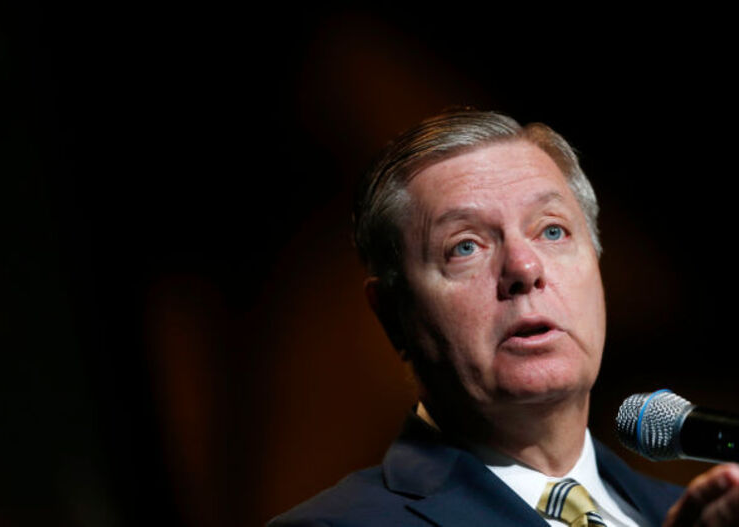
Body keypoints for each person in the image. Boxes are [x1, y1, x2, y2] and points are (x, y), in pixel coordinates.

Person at [268, 109, 739, 526]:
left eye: (552, 231)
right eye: (465, 247)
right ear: (393, 314)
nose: (525, 268)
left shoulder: (694, 512)